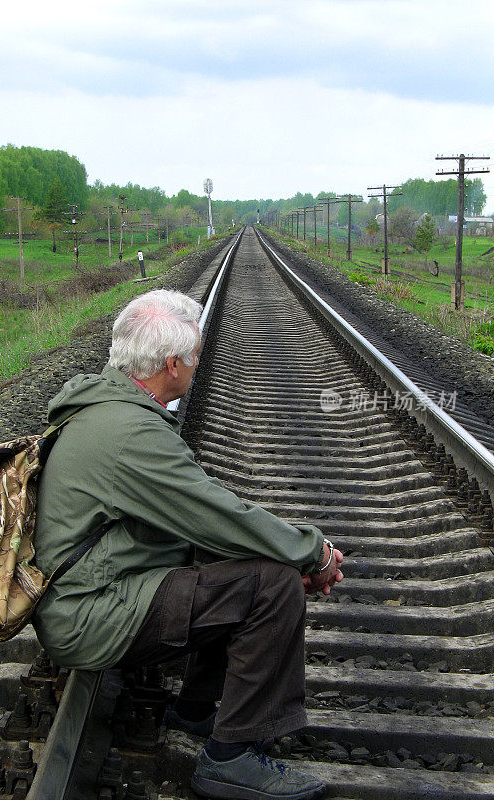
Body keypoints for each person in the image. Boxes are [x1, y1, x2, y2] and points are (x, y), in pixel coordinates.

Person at [33, 289, 344, 800]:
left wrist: (283, 548)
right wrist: (312, 553)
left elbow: (205, 523)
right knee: (274, 585)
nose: (199, 365)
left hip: (98, 589)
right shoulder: (130, 434)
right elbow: (218, 514)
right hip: (89, 615)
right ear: (171, 364)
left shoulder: (108, 405)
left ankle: (197, 709)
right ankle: (231, 758)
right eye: (197, 357)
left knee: (240, 561)